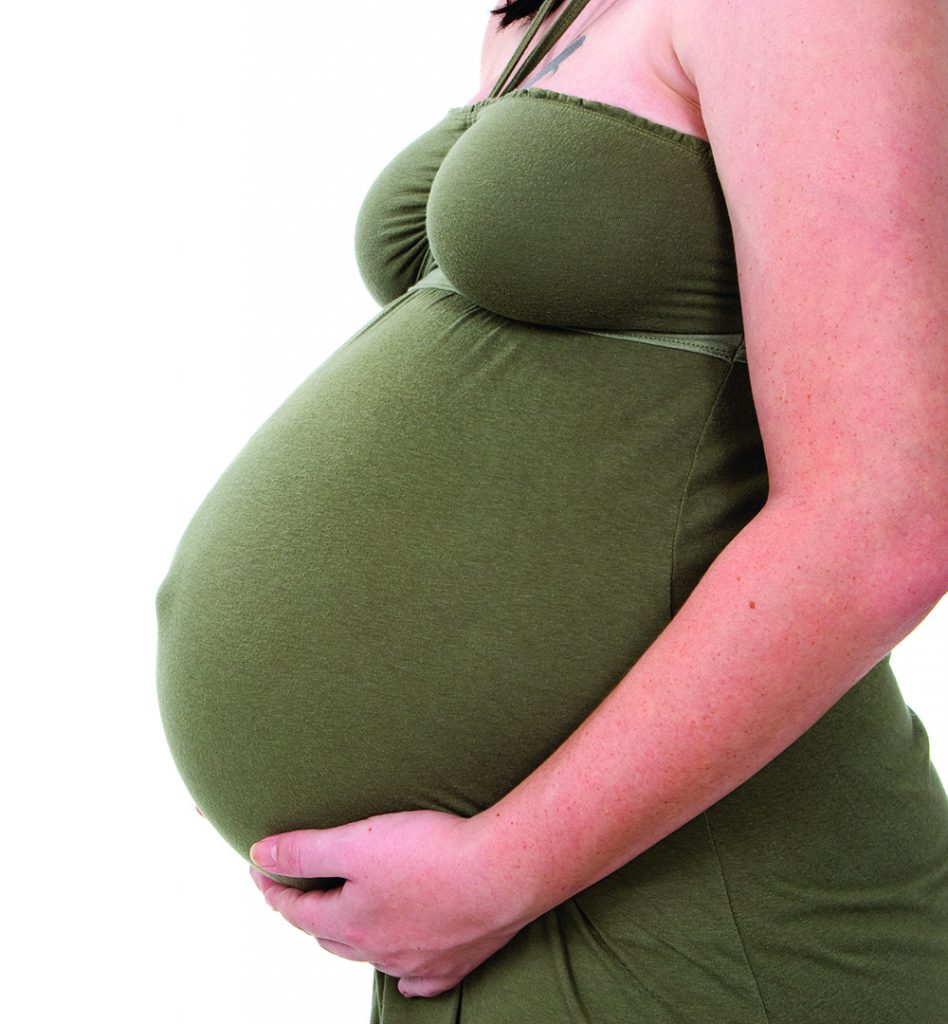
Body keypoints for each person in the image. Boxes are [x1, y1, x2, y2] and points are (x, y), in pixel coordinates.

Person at [156, 0, 948, 1020]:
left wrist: (500, 867)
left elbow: (884, 519)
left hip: (704, 912)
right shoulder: (547, 13)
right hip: (492, 919)